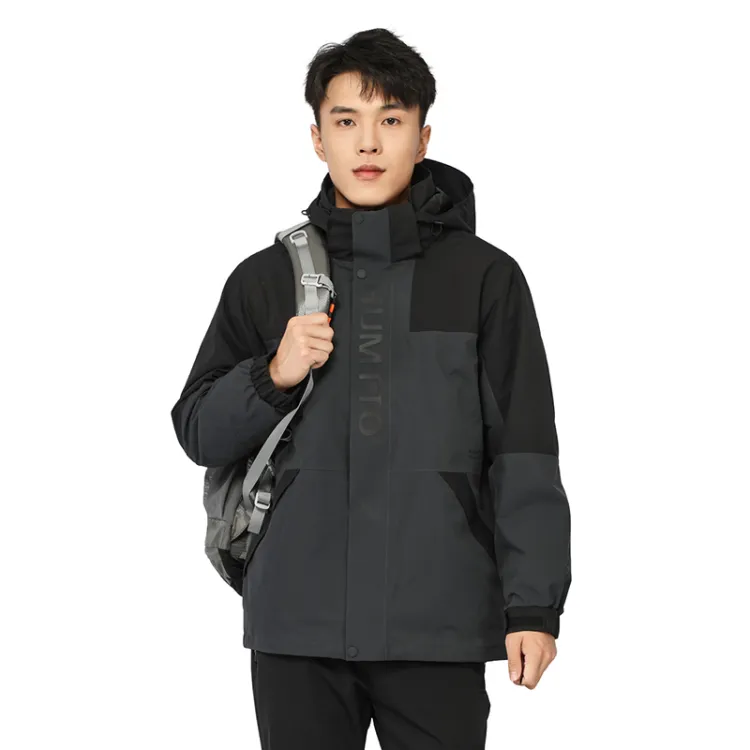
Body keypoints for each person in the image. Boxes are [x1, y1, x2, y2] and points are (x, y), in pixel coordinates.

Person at [170, 26, 572, 750]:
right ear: (317, 139)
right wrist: (272, 375)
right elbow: (198, 430)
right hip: (298, 624)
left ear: (423, 137)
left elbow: (525, 452)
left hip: (438, 622)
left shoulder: (485, 279)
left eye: (390, 120)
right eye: (345, 121)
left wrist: (534, 607)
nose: (367, 143)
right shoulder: (264, 281)